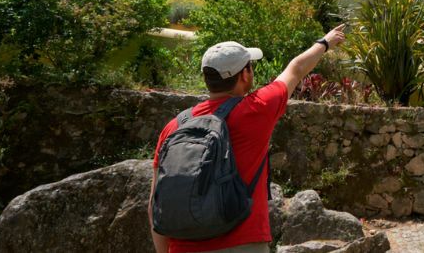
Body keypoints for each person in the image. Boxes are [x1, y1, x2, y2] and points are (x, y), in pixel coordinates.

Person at [148, 26, 346, 253]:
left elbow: (155, 202)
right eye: (250, 66)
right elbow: (297, 68)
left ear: (206, 77)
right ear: (244, 75)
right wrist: (326, 42)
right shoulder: (256, 109)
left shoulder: (174, 127)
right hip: (244, 244)